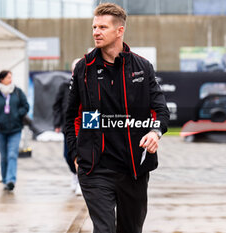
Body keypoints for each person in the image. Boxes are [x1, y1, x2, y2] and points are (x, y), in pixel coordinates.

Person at [65, 3, 169, 233]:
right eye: (94, 27)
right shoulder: (84, 68)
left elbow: (160, 110)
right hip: (95, 168)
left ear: (119, 31)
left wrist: (155, 132)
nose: (96, 32)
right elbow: (72, 115)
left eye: (102, 27)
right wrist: (75, 154)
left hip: (133, 168)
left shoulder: (142, 67)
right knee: (104, 230)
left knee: (130, 229)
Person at [0, 70, 29, 191]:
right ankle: (5, 179)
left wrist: (17, 114)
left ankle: (11, 180)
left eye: (11, 77)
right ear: (1, 79)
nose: (10, 79)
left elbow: (25, 106)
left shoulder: (17, 92)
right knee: (4, 156)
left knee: (12, 154)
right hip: (0, 130)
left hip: (15, 129)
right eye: (8, 77)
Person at [53, 58, 82, 195]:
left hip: (85, 126)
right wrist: (57, 123)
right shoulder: (64, 85)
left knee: (82, 153)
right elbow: (57, 105)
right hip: (68, 126)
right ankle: (74, 173)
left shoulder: (90, 84)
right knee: (68, 154)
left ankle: (81, 181)